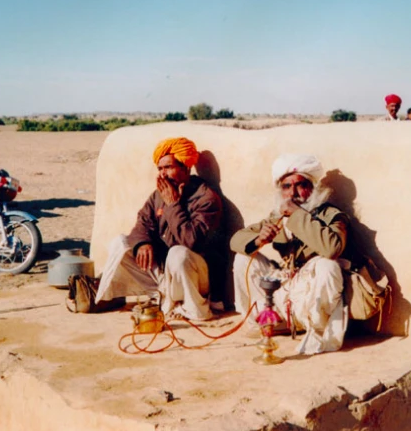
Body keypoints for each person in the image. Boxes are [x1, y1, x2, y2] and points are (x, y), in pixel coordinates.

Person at [230, 154, 351, 354]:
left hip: (310, 294)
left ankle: (315, 328)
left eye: (300, 185)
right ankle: (266, 321)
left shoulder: (331, 215)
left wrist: (297, 215)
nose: (293, 193)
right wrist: (259, 239)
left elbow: (332, 248)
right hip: (286, 288)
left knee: (328, 266)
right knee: (244, 257)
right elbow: (235, 240)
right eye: (286, 187)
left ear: (312, 188)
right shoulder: (278, 216)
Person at [95, 137, 223, 321]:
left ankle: (194, 308)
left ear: (185, 168)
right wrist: (142, 243)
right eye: (160, 169)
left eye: (169, 167)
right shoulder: (159, 195)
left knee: (178, 253)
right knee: (121, 243)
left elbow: (190, 241)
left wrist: (173, 205)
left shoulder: (206, 198)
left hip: (197, 277)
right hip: (165, 273)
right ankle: (123, 296)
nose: (163, 174)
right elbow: (142, 222)